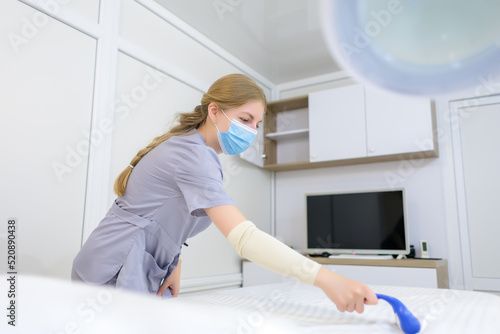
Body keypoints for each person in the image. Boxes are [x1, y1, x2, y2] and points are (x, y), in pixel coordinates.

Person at [71, 73, 378, 313]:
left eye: (257, 124)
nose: (252, 131)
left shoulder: (197, 151)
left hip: (139, 264)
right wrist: (327, 279)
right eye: (245, 119)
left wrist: (174, 263)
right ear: (214, 111)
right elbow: (244, 239)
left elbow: (167, 215)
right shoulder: (194, 156)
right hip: (113, 267)